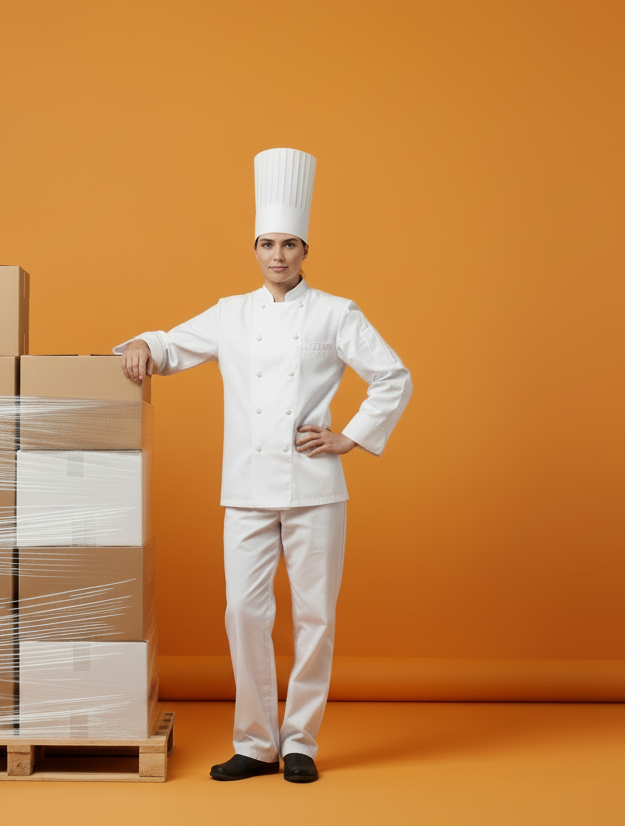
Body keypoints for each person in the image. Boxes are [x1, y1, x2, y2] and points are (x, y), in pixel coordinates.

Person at [113, 148, 412, 784]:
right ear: (254, 248)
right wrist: (142, 343)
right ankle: (254, 741)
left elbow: (392, 376)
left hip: (315, 488)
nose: (278, 255)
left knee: (315, 615)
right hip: (246, 488)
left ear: (306, 250)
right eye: (267, 244)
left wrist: (349, 437)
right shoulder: (230, 313)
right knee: (244, 613)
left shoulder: (336, 312)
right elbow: (171, 345)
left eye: (290, 244)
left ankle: (299, 739)